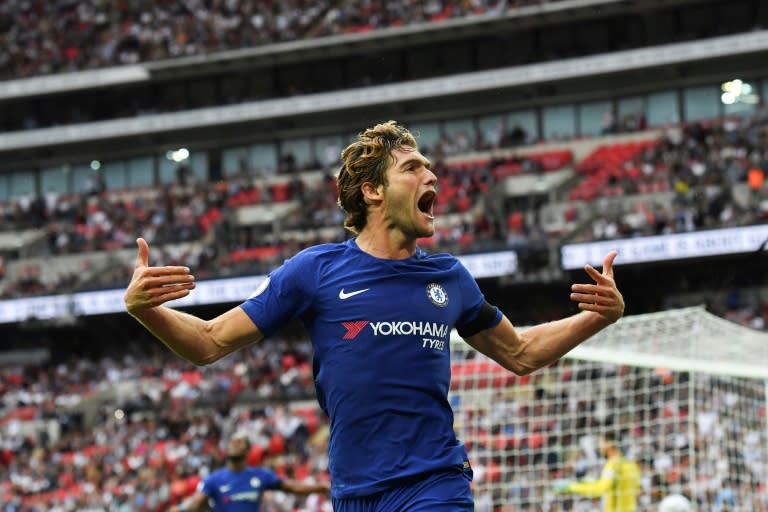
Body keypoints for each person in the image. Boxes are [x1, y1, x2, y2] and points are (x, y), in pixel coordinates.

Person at [124, 120, 625, 511]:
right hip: (355, 492)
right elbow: (210, 341)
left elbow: (519, 353)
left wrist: (595, 318)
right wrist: (146, 311)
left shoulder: (450, 278)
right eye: (412, 167)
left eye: (429, 167)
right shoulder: (313, 271)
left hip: (436, 482)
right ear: (372, 191)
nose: (430, 175)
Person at [168, 434, 330, 512]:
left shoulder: (260, 475)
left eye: (240, 442)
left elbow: (292, 487)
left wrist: (321, 488)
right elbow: (196, 503)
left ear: (247, 451)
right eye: (232, 442)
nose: (235, 445)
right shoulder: (214, 479)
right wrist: (179, 509)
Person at [553, 432, 641, 512]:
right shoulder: (631, 465)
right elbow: (636, 490)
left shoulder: (613, 464)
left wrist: (571, 486)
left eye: (601, 442)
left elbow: (601, 488)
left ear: (609, 444)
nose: (599, 446)